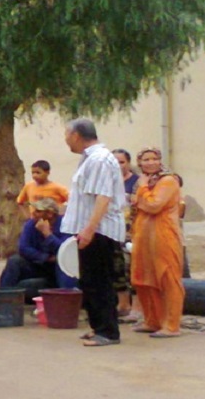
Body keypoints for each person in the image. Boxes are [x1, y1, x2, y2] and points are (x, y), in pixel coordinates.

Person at [61, 119, 126, 347]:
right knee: (89, 280)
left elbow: (103, 197)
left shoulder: (99, 160)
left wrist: (89, 229)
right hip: (89, 229)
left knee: (100, 281)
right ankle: (98, 326)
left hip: (100, 230)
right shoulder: (89, 159)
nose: (66, 140)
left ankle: (108, 332)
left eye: (67, 135)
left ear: (77, 135)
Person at [130, 148, 184, 338]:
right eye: (146, 159)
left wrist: (143, 190)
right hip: (143, 236)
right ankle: (152, 321)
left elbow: (154, 205)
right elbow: (135, 203)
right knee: (143, 278)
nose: (151, 162)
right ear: (140, 162)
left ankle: (171, 325)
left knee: (167, 278)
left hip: (164, 236)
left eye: (154, 159)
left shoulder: (168, 181)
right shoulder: (143, 182)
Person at [0, 198, 78, 289]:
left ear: (50, 214)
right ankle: (4, 294)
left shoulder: (65, 225)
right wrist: (45, 257)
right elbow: (23, 248)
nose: (33, 213)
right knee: (14, 261)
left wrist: (48, 235)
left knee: (30, 285)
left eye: (38, 211)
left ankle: (65, 294)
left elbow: (64, 250)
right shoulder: (31, 224)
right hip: (39, 264)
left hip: (57, 270)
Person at [111, 148, 142, 323]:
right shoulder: (108, 181)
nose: (118, 165)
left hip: (133, 232)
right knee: (117, 269)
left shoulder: (137, 182)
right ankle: (123, 305)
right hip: (113, 231)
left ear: (128, 163)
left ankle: (137, 307)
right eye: (114, 161)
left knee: (133, 269)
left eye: (121, 162)